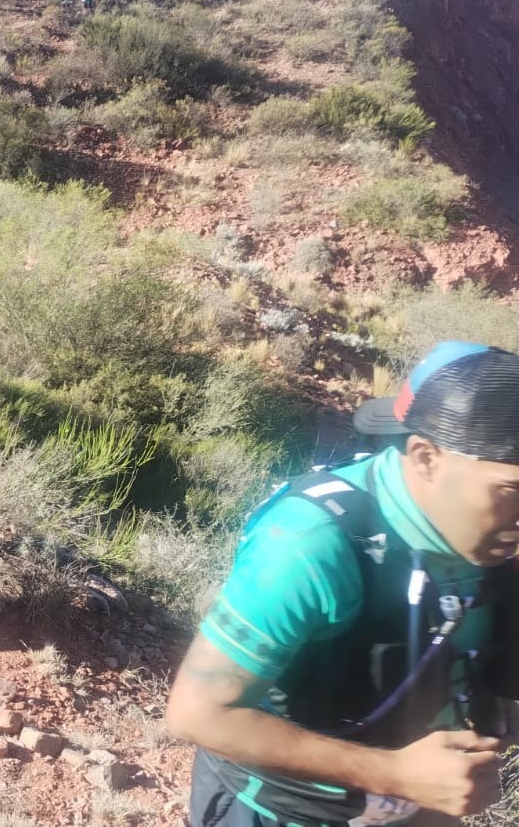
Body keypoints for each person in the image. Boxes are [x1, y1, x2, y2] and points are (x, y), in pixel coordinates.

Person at [165, 341, 519, 827]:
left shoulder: (492, 541)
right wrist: (396, 774)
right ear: (426, 458)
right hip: (280, 811)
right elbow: (198, 713)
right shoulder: (308, 544)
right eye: (512, 491)